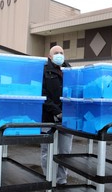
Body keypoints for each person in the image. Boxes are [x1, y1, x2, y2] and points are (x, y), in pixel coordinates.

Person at [41, 45, 73, 186]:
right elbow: (42, 94)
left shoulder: (70, 70)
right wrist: (56, 111)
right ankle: (49, 179)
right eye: (56, 53)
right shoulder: (44, 70)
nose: (59, 55)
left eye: (61, 52)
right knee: (47, 151)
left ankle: (61, 181)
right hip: (48, 117)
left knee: (65, 152)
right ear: (49, 56)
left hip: (67, 118)